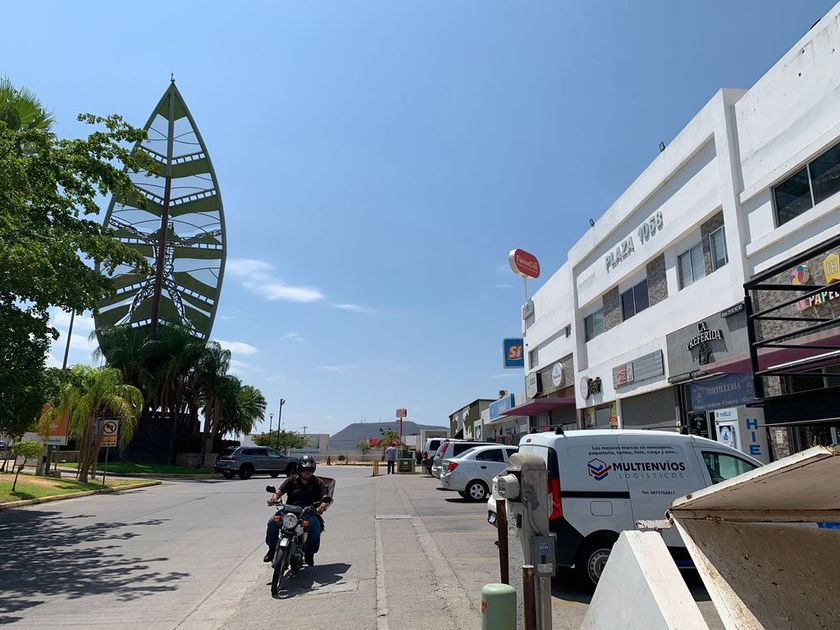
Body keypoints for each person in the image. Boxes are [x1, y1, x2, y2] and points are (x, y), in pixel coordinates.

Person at [264, 455, 331, 566]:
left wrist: (322, 507)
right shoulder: (291, 480)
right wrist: (273, 499)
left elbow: (325, 497)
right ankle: (271, 549)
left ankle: (309, 553)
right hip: (289, 510)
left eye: (310, 470)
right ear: (299, 469)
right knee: (272, 522)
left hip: (308, 512)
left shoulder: (318, 482)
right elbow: (279, 491)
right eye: (304, 469)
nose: (307, 472)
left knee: (315, 526)